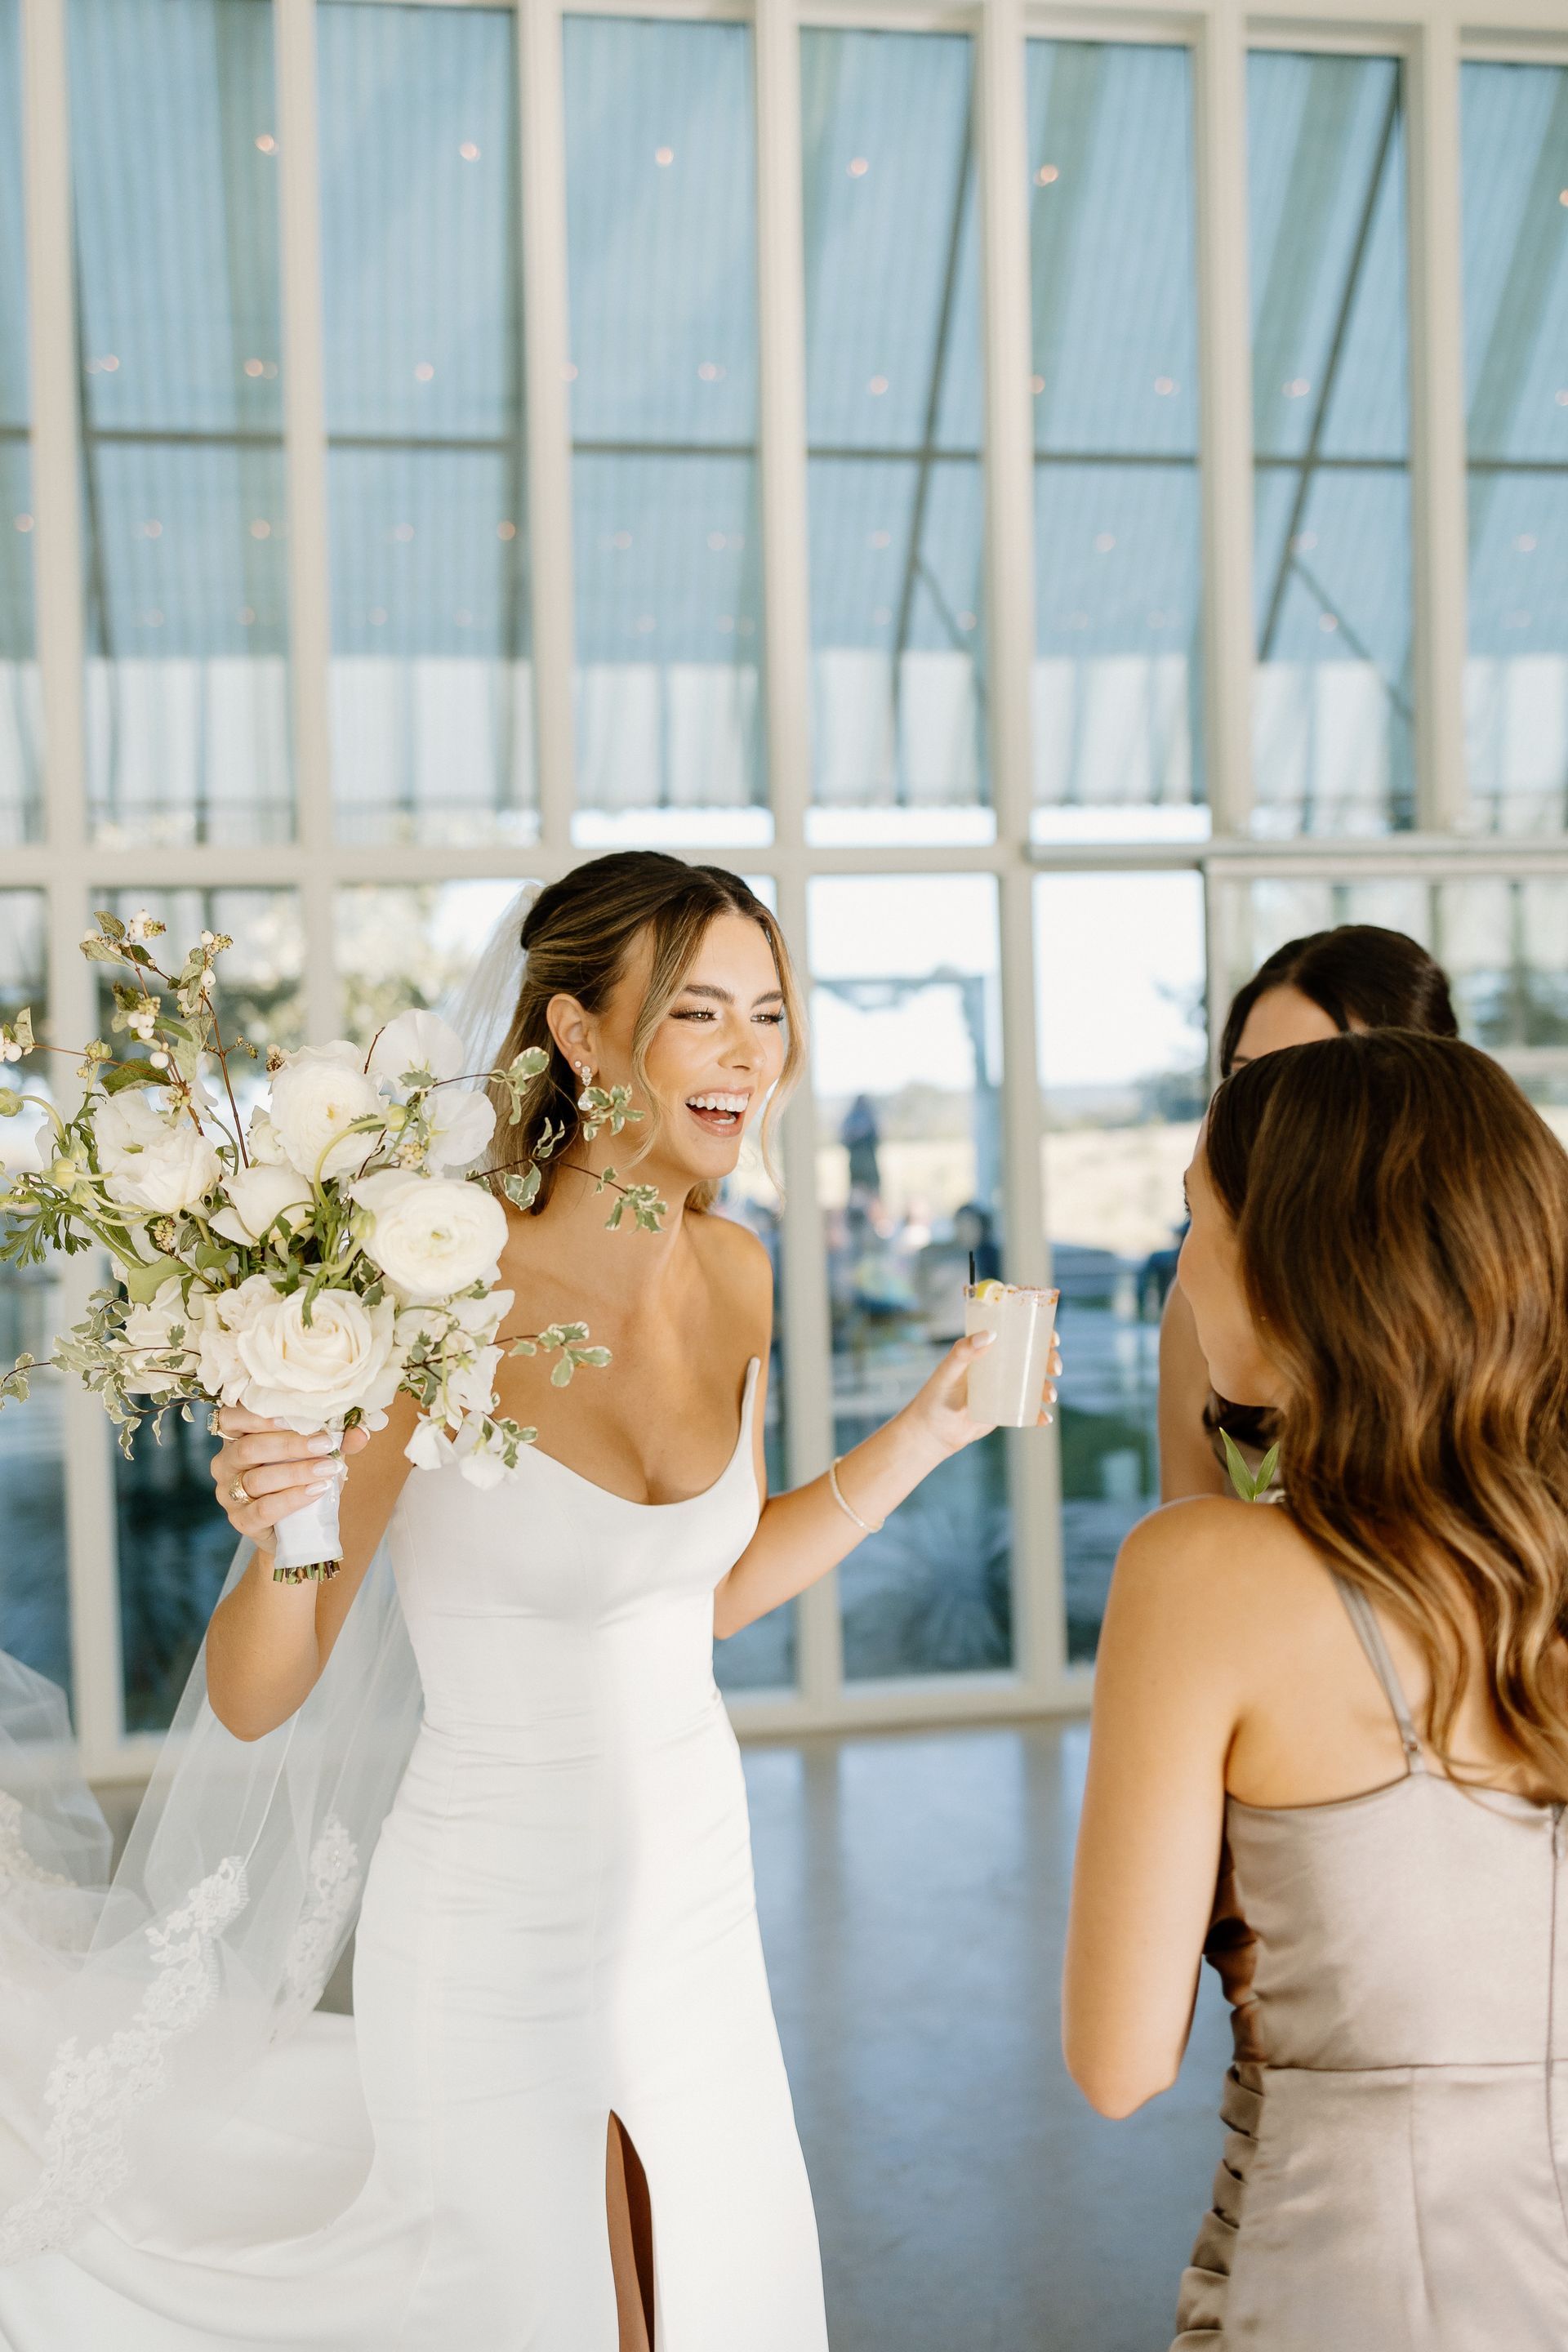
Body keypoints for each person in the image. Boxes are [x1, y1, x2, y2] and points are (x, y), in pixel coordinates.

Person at [0, 853, 1057, 2352]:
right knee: (540, 2306)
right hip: (489, 1920)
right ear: (577, 1033)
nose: (751, 1053)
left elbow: (710, 1593)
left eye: (769, 1011)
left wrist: (936, 1425)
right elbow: (254, 1694)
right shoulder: (427, 1290)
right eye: (700, 1011)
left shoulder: (741, 1275)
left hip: (695, 1902)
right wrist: (280, 1528)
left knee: (718, 2293)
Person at [1066, 1030, 1568, 2350]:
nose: (1179, 1272)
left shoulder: (1202, 1576)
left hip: (1353, 2286)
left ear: (1303, 1267)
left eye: (1196, 1221)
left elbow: (1118, 2064)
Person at [1158, 926, 1458, 1500]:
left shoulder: (1520, 1300)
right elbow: (1184, 1520)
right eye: (1247, 1076)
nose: (1265, 1113)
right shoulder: (1203, 1297)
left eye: (1307, 1076)